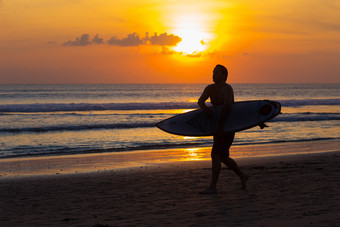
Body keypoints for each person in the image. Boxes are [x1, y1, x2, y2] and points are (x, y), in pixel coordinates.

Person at [198, 64, 248, 194]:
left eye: (216, 72)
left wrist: (220, 125)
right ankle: (242, 175)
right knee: (223, 156)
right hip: (218, 125)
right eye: (213, 72)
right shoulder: (209, 88)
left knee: (215, 154)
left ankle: (213, 187)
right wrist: (206, 110)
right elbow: (200, 101)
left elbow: (227, 107)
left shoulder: (227, 89)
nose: (213, 75)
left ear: (224, 75)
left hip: (228, 125)